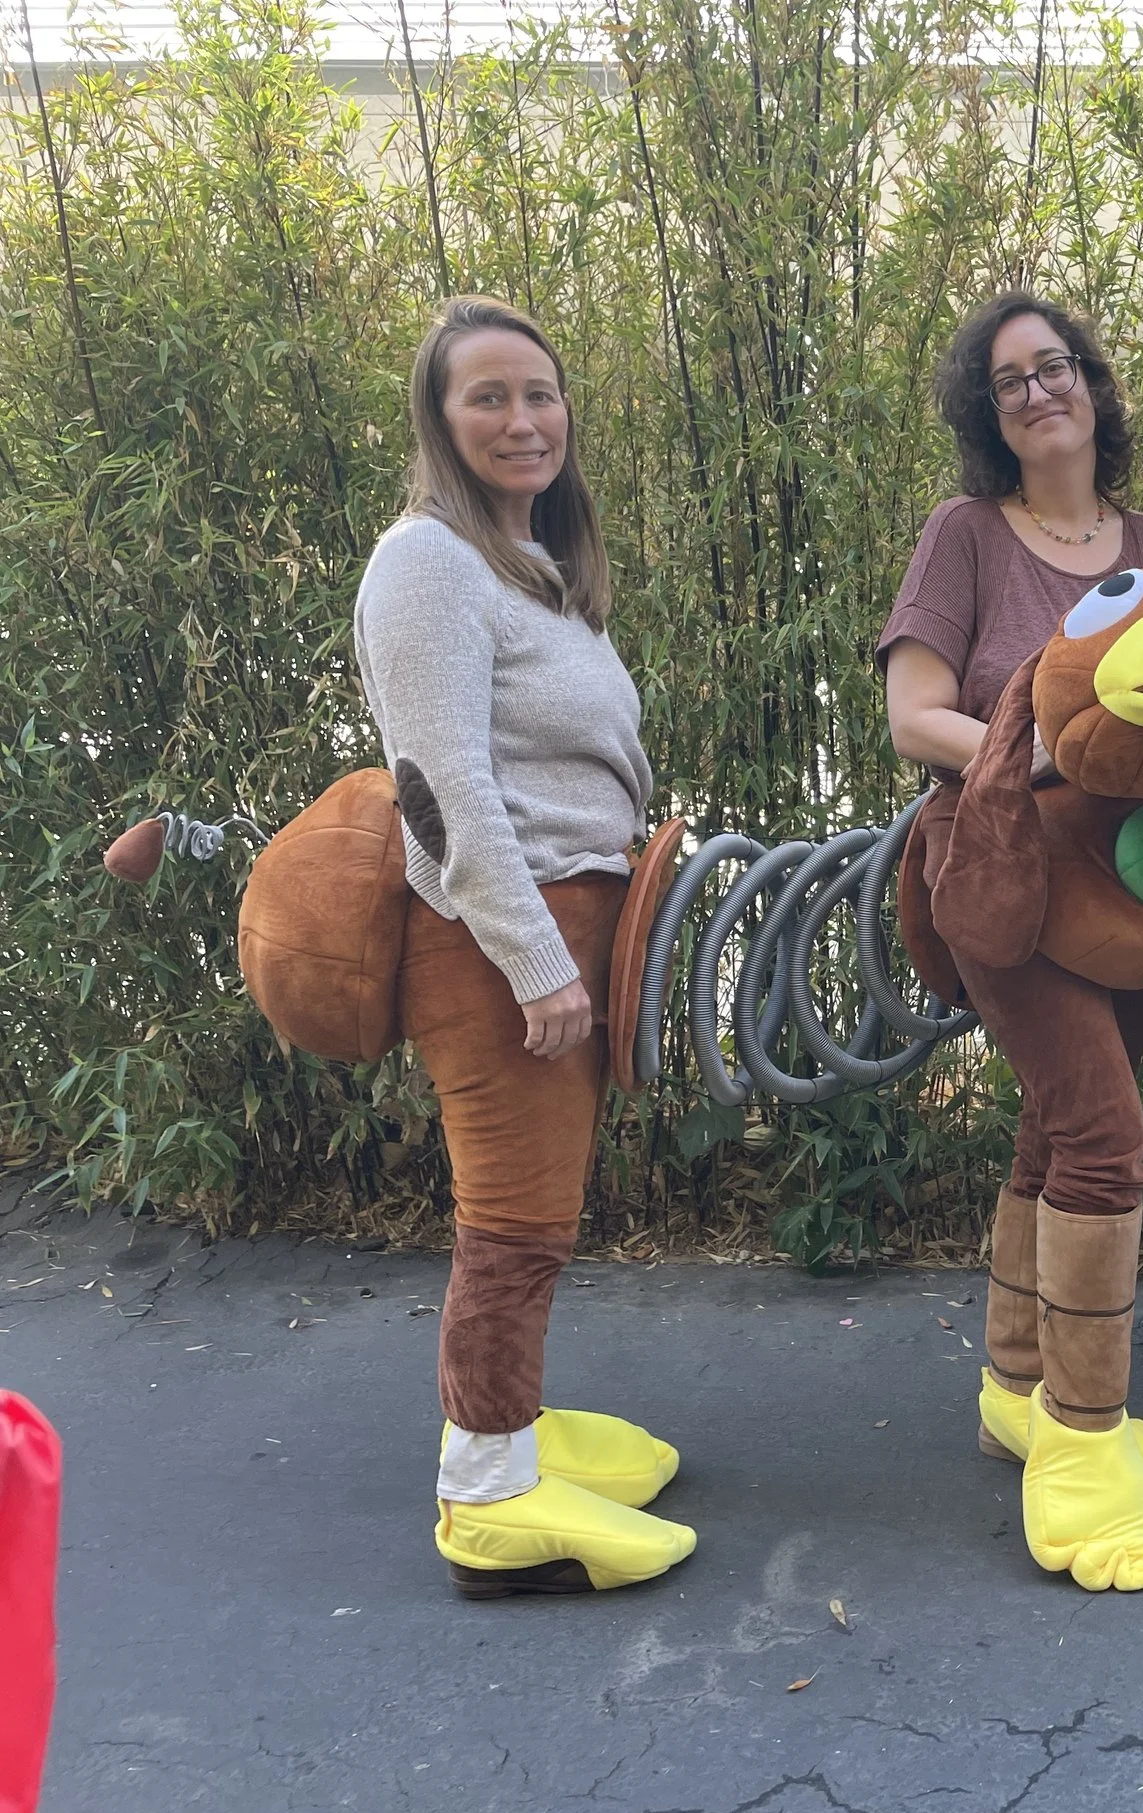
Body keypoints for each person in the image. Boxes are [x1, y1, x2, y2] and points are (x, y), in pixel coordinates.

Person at [357, 296, 694, 1597]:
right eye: (486, 396)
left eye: (538, 393)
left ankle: (510, 1428)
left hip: (569, 915)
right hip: (502, 938)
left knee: (538, 1210)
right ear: (440, 421)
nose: (521, 418)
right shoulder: (428, 561)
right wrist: (537, 964)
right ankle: (488, 1493)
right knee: (512, 1222)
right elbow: (441, 786)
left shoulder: (530, 566)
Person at [878, 291, 1143, 1499]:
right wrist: (1048, 752)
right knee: (1106, 1140)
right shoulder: (963, 532)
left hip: (1130, 884)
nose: (1038, 391)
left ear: (1093, 388)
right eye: (1010, 381)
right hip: (1001, 862)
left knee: (1055, 1130)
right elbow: (916, 714)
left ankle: (1014, 1388)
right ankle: (1081, 1431)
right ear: (990, 415)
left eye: (1054, 367)